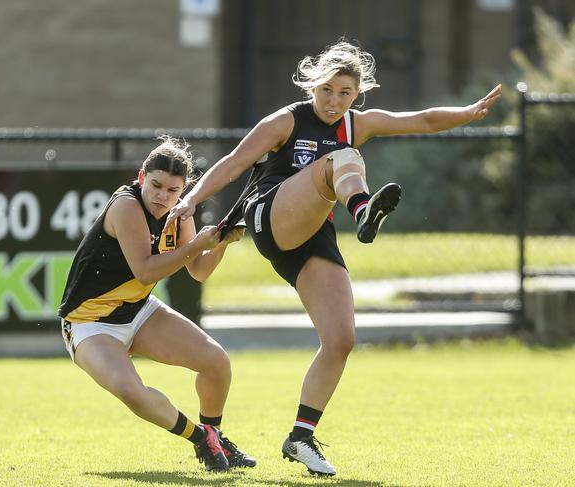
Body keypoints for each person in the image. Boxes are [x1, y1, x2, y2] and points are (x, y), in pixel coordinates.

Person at [164, 40, 502, 476]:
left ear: (357, 95)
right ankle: (363, 211)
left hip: (312, 233)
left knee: (341, 339)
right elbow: (232, 162)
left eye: (345, 93)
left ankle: (300, 436)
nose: (334, 101)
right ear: (313, 85)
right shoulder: (285, 121)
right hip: (269, 214)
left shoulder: (356, 122)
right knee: (340, 160)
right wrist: (191, 200)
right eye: (327, 90)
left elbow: (420, 119)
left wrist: (468, 113)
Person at [58, 136, 255, 472]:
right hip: (89, 323)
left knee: (216, 363)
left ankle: (215, 436)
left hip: (138, 310)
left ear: (183, 190)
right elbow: (146, 270)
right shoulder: (126, 205)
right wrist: (197, 245)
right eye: (156, 185)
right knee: (130, 391)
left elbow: (199, 271)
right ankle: (200, 438)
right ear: (141, 178)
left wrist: (220, 244)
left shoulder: (180, 212)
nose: (163, 196)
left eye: (173, 190)